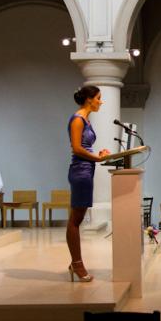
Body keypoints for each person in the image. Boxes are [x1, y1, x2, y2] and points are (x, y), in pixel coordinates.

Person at [66, 85, 111, 282]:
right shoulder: (77, 119)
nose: (101, 101)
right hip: (80, 171)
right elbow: (77, 148)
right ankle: (77, 264)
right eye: (99, 98)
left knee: (77, 218)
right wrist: (97, 158)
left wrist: (97, 154)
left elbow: (85, 147)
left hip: (86, 170)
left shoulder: (86, 119)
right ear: (89, 99)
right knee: (75, 220)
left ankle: (75, 263)